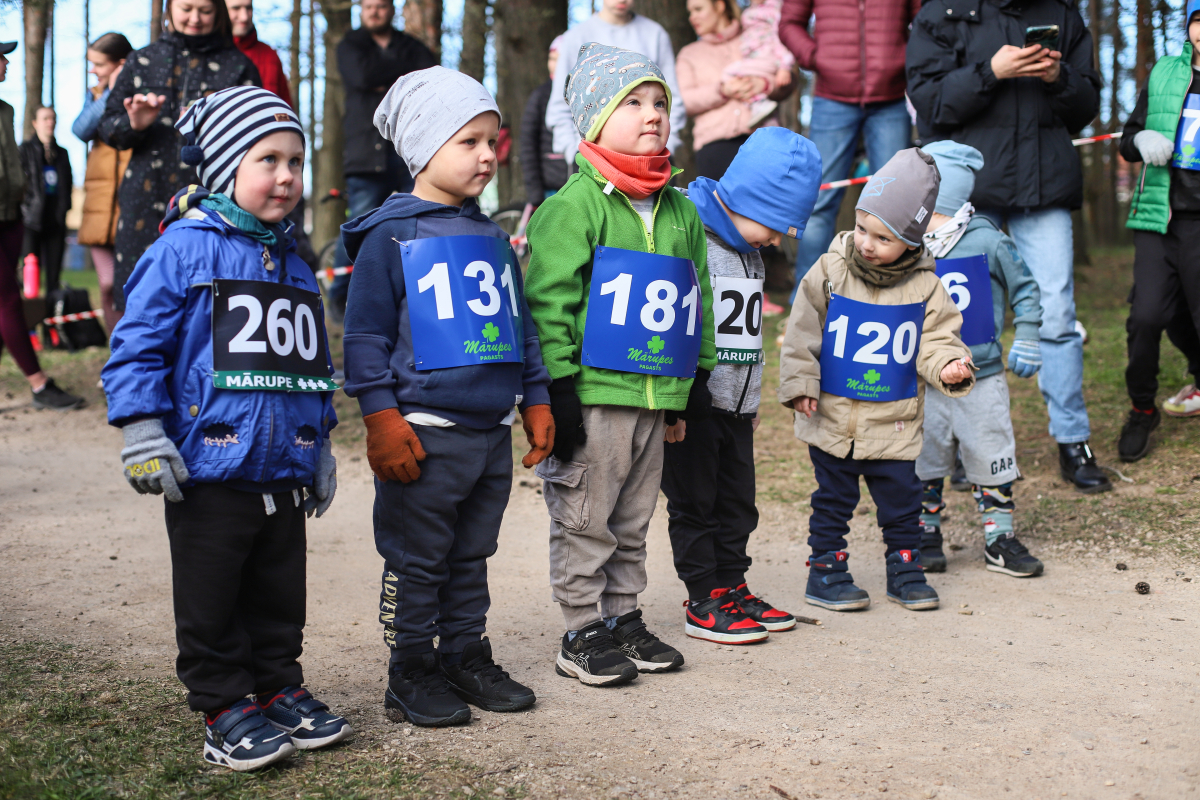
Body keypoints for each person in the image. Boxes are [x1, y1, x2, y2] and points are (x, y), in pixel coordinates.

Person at [101, 86, 349, 771]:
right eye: (267, 159)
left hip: (283, 470)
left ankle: (276, 686)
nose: (287, 176)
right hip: (208, 469)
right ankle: (222, 704)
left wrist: (320, 442)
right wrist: (143, 429)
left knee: (279, 592)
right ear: (220, 168)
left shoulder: (299, 266)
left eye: (296, 161)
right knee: (211, 592)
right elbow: (137, 345)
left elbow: (313, 367)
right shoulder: (183, 251)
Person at [341, 67, 553, 727]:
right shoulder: (389, 237)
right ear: (423, 148)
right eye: (469, 142)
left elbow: (522, 327)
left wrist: (535, 399)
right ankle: (410, 670)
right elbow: (364, 335)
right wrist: (379, 416)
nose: (488, 155)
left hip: (489, 434)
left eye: (493, 141)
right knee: (417, 558)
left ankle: (464, 654)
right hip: (423, 435)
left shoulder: (492, 237)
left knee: (471, 554)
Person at [525, 44, 716, 686]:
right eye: (632, 102)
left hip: (656, 395)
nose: (653, 113)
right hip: (595, 396)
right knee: (585, 513)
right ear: (592, 118)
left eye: (660, 101)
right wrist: (557, 389)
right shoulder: (572, 207)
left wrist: (695, 384)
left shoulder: (682, 210)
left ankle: (622, 616)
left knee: (634, 517)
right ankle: (580, 626)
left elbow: (699, 303)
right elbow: (548, 303)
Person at [907, 0, 1108, 494]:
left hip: (1045, 186)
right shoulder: (941, 12)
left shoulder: (1063, 11)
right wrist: (990, 71)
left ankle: (1072, 440)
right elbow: (928, 104)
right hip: (965, 197)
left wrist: (1058, 77)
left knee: (1057, 313)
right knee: (958, 322)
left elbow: (1086, 108)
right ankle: (957, 442)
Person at [777, 147, 974, 613]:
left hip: (893, 421)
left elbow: (938, 336)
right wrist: (801, 382)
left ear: (911, 241)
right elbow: (802, 330)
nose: (867, 243)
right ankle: (825, 571)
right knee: (833, 500)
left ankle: (906, 570)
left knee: (903, 503)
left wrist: (948, 363)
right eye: (863, 227)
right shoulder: (830, 270)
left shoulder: (926, 286)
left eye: (883, 238)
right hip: (833, 417)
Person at [665, 126, 820, 645]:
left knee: (738, 502)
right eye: (777, 225)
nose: (777, 240)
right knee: (696, 502)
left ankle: (732, 584)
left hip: (738, 407)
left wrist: (750, 398)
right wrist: (681, 401)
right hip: (695, 404)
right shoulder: (690, 236)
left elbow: (745, 331)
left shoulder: (748, 249)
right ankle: (703, 596)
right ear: (750, 199)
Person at [915, 140, 1046, 578]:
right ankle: (924, 532)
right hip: (922, 376)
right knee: (924, 457)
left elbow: (1026, 289)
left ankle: (999, 536)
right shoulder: (906, 243)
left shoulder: (988, 239)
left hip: (983, 374)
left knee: (991, 453)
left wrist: (1027, 334)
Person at [98, 0, 260, 312]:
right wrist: (134, 124)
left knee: (207, 299)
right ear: (170, 8)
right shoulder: (142, 60)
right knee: (139, 298)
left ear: (219, 13)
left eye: (205, 10)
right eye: (186, 8)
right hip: (145, 201)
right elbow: (107, 127)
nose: (195, 18)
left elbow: (259, 139)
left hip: (212, 203)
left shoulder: (238, 66)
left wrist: (219, 127)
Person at [780, 0, 919, 297]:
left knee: (895, 203)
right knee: (818, 200)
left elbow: (926, 19)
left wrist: (903, 58)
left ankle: (889, 295)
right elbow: (789, 23)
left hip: (891, 96)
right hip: (832, 96)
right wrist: (817, 58)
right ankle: (807, 296)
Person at [1116, 0, 1200, 459]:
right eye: (1199, 19)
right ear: (1189, 26)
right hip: (1156, 218)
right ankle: (1142, 409)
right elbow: (1128, 139)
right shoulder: (1165, 72)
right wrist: (1142, 140)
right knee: (1146, 317)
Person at [327, 0, 438, 320]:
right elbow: (360, 76)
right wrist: (404, 80)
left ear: (392, 9)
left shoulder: (410, 45)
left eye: (380, 6)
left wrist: (382, 79)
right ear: (361, 10)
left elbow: (428, 79)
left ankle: (424, 291)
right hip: (365, 153)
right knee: (358, 223)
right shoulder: (350, 45)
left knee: (423, 217)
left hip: (409, 151)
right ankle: (339, 296)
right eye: (368, 6)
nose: (374, 11)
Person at [0, 41, 84, 410]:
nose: (5, 62)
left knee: (4, 301)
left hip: (10, 218)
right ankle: (38, 384)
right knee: (7, 301)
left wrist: (17, 214)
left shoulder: (5, 109)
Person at [544, 0, 687, 164]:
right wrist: (576, 153)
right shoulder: (575, 37)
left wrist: (663, 147)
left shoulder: (655, 34)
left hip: (654, 162)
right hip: (593, 163)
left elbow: (671, 97)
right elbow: (560, 106)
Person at [677, 0, 794, 182]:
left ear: (719, 6)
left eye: (698, 9)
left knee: (764, 209)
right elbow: (684, 101)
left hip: (764, 143)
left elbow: (786, 78)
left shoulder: (755, 35)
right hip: (714, 148)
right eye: (690, 12)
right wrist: (722, 90)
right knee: (720, 210)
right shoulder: (689, 54)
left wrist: (763, 85)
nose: (693, 18)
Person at [73, 32, 133, 334]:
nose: (92, 70)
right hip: (99, 207)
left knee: (134, 287)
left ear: (120, 64)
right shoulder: (96, 94)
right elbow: (81, 129)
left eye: (98, 64)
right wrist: (110, 92)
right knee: (107, 285)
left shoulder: (141, 92)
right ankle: (117, 356)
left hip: (130, 204)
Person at [19, 106, 72, 297]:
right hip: (31, 222)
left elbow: (67, 185)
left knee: (53, 278)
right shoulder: (24, 151)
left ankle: (51, 322)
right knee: (30, 276)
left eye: (53, 118)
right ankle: (30, 323)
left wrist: (64, 210)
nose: (50, 122)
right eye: (45, 118)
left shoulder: (62, 154)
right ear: (35, 123)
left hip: (55, 222)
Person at [519, 35, 569, 207]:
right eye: (552, 59)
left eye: (560, 59)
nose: (555, 65)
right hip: (550, 190)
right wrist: (535, 193)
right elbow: (527, 145)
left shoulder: (585, 96)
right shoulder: (540, 96)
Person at [229, 0, 293, 106]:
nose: (244, 17)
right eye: (236, 8)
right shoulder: (208, 55)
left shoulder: (270, 56)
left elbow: (285, 111)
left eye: (248, 8)